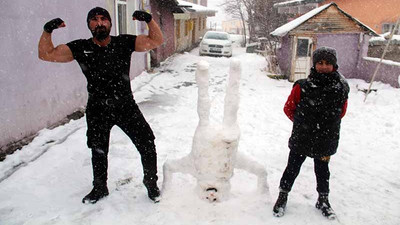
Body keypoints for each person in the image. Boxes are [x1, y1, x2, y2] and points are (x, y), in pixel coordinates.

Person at [38, 7, 164, 204]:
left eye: (103, 19)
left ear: (110, 23)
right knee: (98, 150)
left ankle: (151, 183)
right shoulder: (80, 47)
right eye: (94, 20)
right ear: (89, 25)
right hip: (97, 108)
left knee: (146, 142)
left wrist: (149, 19)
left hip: (125, 105)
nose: (99, 23)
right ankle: (100, 188)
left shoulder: (124, 42)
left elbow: (156, 40)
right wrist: (48, 30)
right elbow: (46, 54)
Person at [273, 47, 349, 219]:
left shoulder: (341, 88)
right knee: (292, 168)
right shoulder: (302, 86)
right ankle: (282, 196)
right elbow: (289, 108)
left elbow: (341, 112)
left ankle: (323, 200)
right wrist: (304, 124)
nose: (323, 66)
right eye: (320, 63)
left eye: (328, 63)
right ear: (314, 65)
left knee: (322, 171)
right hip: (303, 137)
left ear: (334, 65)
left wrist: (324, 126)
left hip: (326, 139)